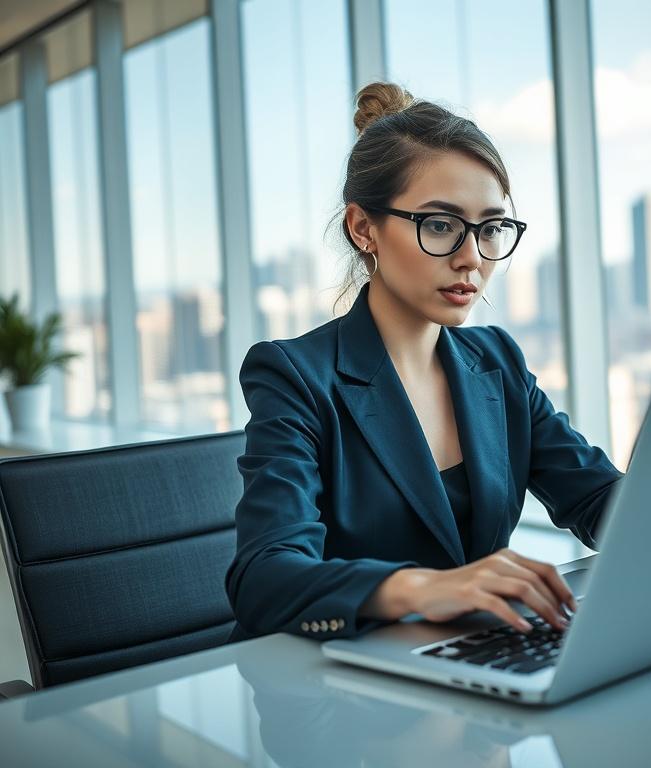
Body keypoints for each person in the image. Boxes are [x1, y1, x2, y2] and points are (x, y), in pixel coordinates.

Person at [225, 81, 623, 645]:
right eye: (440, 225)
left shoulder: (497, 362)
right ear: (364, 228)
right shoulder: (295, 376)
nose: (472, 257)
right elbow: (264, 579)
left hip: (472, 667)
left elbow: (597, 498)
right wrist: (426, 588)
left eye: (490, 228)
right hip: (336, 697)